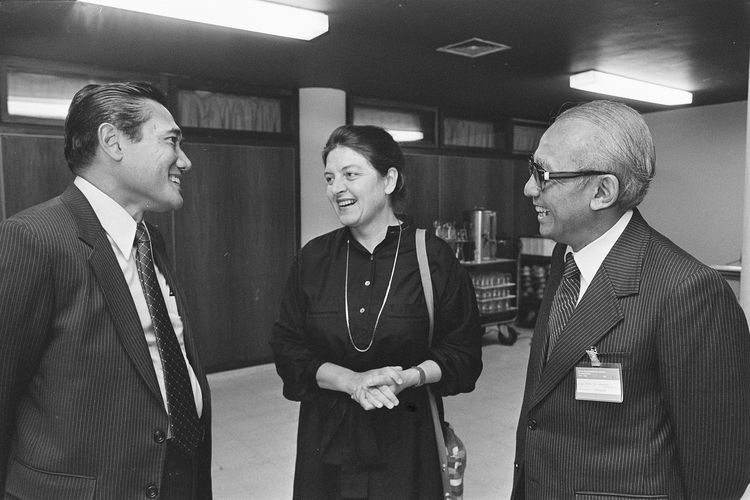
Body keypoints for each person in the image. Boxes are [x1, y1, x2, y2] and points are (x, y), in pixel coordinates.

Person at [511, 100, 750, 499]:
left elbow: (719, 467)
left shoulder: (688, 291)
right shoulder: (564, 259)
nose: (529, 188)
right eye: (531, 168)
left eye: (544, 174)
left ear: (603, 191)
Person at [0, 82, 212, 499]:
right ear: (113, 141)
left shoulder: (151, 239)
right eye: (172, 141)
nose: (184, 161)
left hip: (175, 473)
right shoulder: (33, 239)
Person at [271, 124, 482, 499]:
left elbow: (463, 353)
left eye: (351, 175)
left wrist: (410, 377)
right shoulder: (314, 258)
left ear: (389, 180)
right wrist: (349, 381)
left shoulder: (432, 257)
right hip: (327, 440)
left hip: (406, 439)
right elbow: (287, 346)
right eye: (330, 178)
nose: (337, 188)